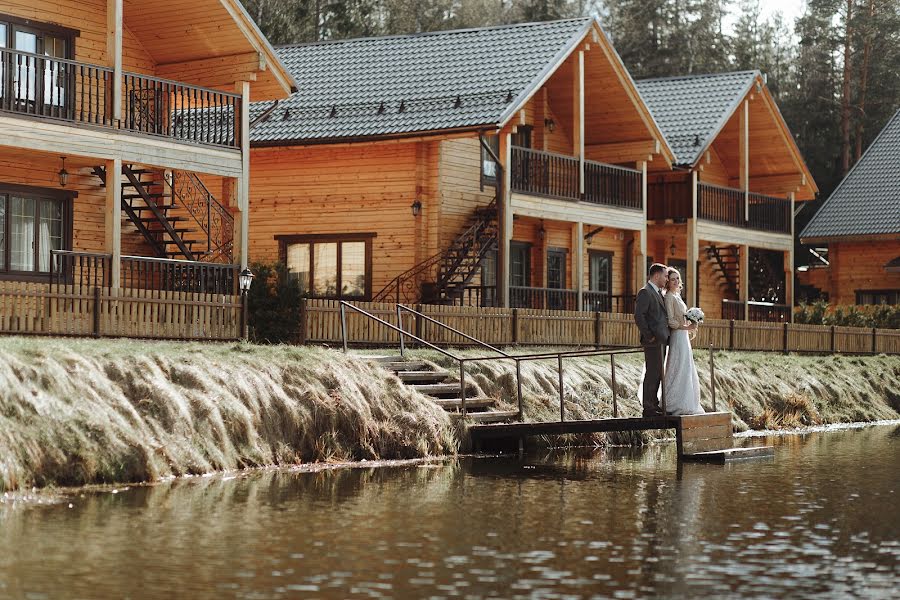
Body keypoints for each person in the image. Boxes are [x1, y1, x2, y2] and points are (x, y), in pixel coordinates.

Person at [662, 268, 703, 415]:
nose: (676, 281)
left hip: (683, 336)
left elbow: (681, 317)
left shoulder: (677, 295)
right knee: (677, 366)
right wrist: (686, 327)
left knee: (685, 367)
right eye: (673, 279)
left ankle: (686, 400)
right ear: (668, 281)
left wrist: (693, 321)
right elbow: (671, 321)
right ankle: (672, 403)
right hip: (677, 336)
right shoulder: (668, 297)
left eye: (678, 278)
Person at [633, 263, 670, 417]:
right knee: (652, 372)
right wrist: (650, 336)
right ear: (656, 276)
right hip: (653, 341)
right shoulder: (645, 292)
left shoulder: (659, 293)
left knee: (658, 373)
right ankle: (648, 407)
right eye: (665, 275)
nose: (667, 279)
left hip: (662, 340)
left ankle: (654, 404)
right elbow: (639, 316)